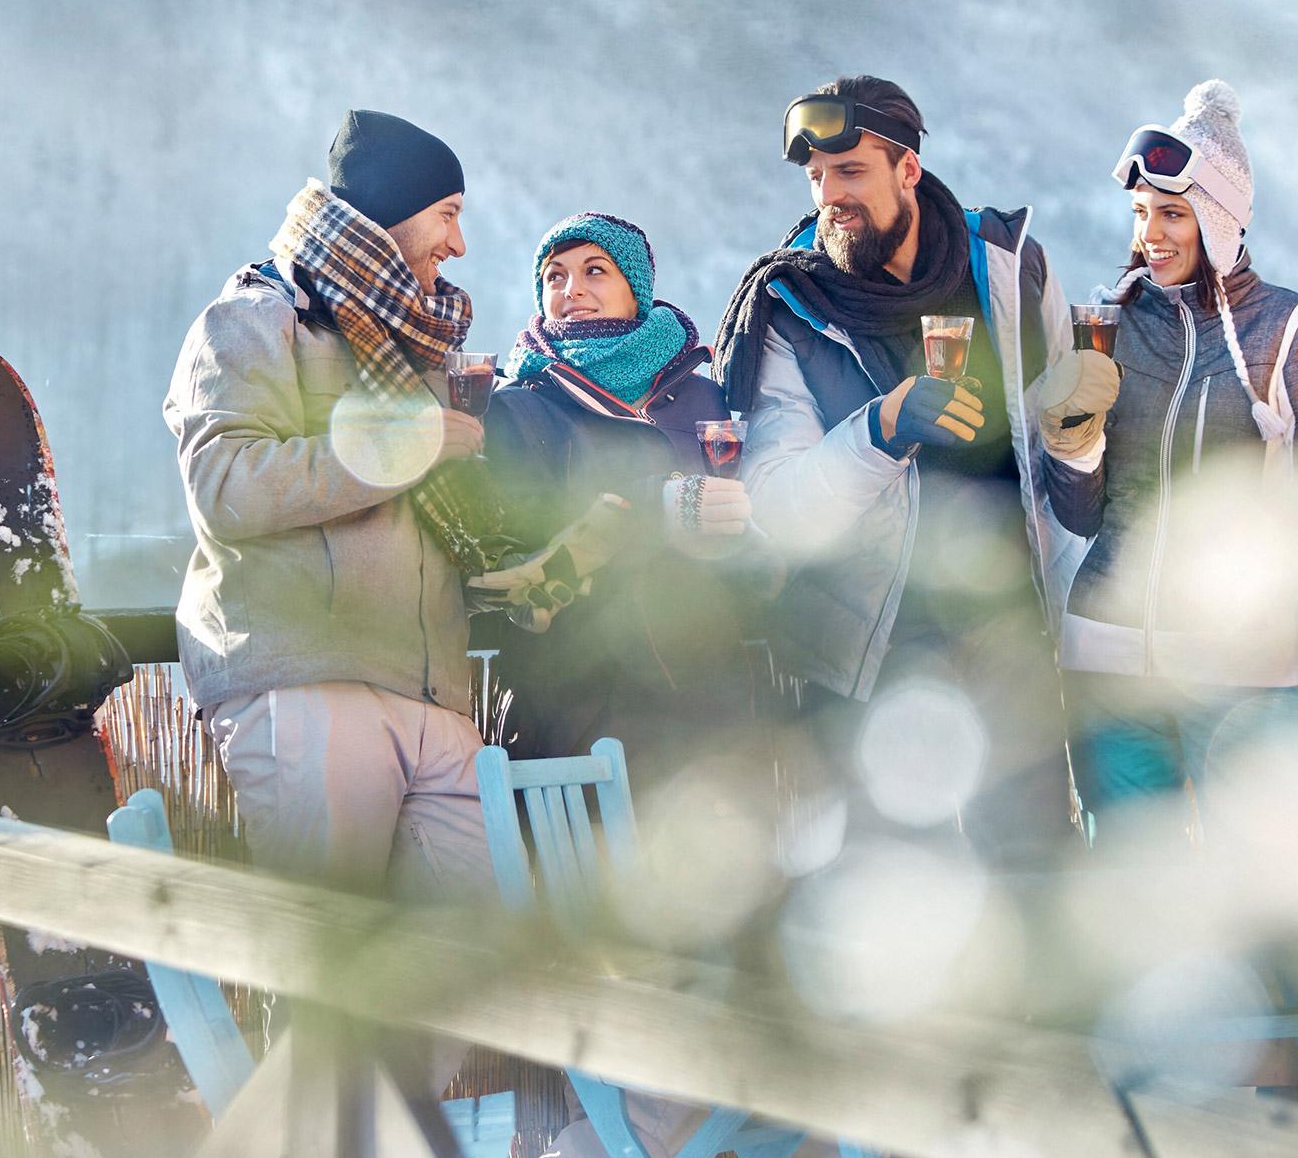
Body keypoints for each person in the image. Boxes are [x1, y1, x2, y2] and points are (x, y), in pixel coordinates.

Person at [713, 74, 1082, 863]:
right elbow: (778, 510)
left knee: (1035, 880)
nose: (829, 198)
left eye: (850, 173)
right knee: (887, 912)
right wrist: (879, 430)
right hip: (867, 657)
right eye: (816, 180)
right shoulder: (792, 307)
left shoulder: (1010, 271)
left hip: (1007, 642)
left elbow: (1061, 454)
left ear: (907, 168)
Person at [163, 108, 495, 899]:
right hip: (308, 682)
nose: (459, 245)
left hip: (436, 698)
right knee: (332, 986)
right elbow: (226, 485)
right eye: (447, 216)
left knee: (472, 983)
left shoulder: (412, 341)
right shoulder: (253, 318)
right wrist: (401, 446)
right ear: (388, 218)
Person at [1038, 79, 1298, 847]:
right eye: (1142, 214)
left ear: (1218, 220)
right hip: (1110, 659)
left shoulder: (1281, 333)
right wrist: (1073, 444)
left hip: (1242, 673)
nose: (1152, 234)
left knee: (1255, 899)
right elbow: (1081, 515)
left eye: (1173, 214)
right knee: (1133, 893)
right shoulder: (1107, 327)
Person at [479, 211, 772, 792]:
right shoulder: (517, 407)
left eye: (595, 271)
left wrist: (747, 541)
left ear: (635, 291)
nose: (572, 291)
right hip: (576, 700)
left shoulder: (701, 395)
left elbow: (747, 520)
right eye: (555, 277)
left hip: (708, 692)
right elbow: (513, 550)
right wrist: (653, 507)